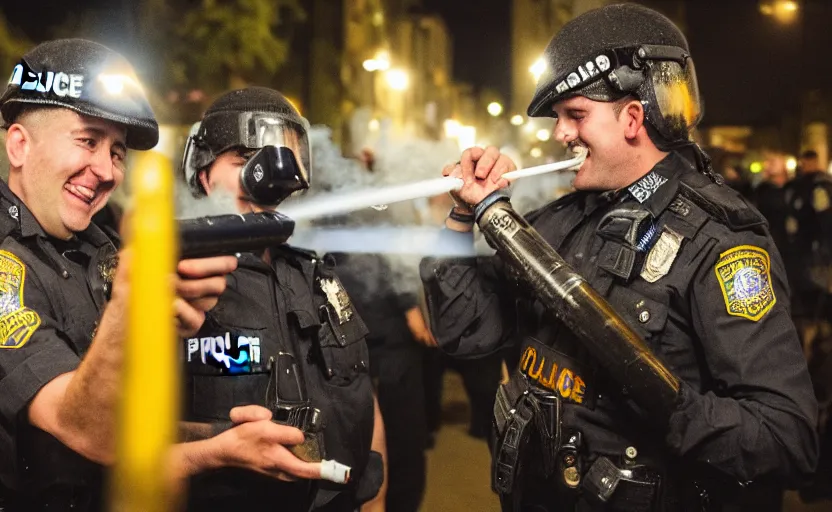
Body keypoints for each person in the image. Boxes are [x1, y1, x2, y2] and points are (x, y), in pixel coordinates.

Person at [420, 5, 818, 511]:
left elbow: (787, 439)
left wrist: (660, 398)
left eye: (576, 115)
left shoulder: (721, 245)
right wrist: (459, 219)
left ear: (632, 117)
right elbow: (462, 330)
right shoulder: (562, 220)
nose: (560, 134)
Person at [0, 39, 330, 512]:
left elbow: (129, 420)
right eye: (87, 140)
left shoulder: (97, 248)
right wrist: (133, 312)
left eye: (116, 152)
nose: (105, 169)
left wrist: (223, 438)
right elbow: (86, 432)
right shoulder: (6, 265)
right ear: (19, 143)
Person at [180, 86, 383, 511]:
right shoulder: (176, 280)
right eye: (242, 162)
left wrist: (374, 502)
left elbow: (360, 390)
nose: (265, 178)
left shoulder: (316, 276)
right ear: (203, 174)